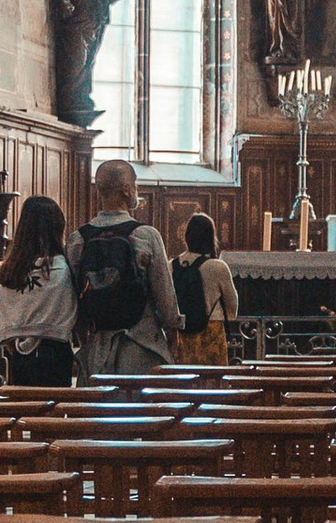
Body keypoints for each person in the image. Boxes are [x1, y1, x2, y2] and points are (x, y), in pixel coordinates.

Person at [71, 156, 181, 379]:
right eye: (135, 184)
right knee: (146, 411)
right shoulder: (146, 236)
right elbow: (166, 299)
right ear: (126, 190)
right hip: (142, 345)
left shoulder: (78, 239)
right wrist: (173, 335)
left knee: (94, 412)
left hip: (97, 349)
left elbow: (74, 297)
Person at [0, 195, 75, 388]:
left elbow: (8, 309)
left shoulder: (11, 269)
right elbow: (69, 307)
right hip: (54, 351)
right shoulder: (61, 267)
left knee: (23, 411)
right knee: (53, 412)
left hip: (18, 354)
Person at [169, 208, 239, 366]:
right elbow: (232, 308)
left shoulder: (171, 266)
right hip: (211, 331)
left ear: (187, 237)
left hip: (180, 333)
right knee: (212, 384)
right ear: (211, 237)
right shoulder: (217, 267)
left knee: (183, 384)